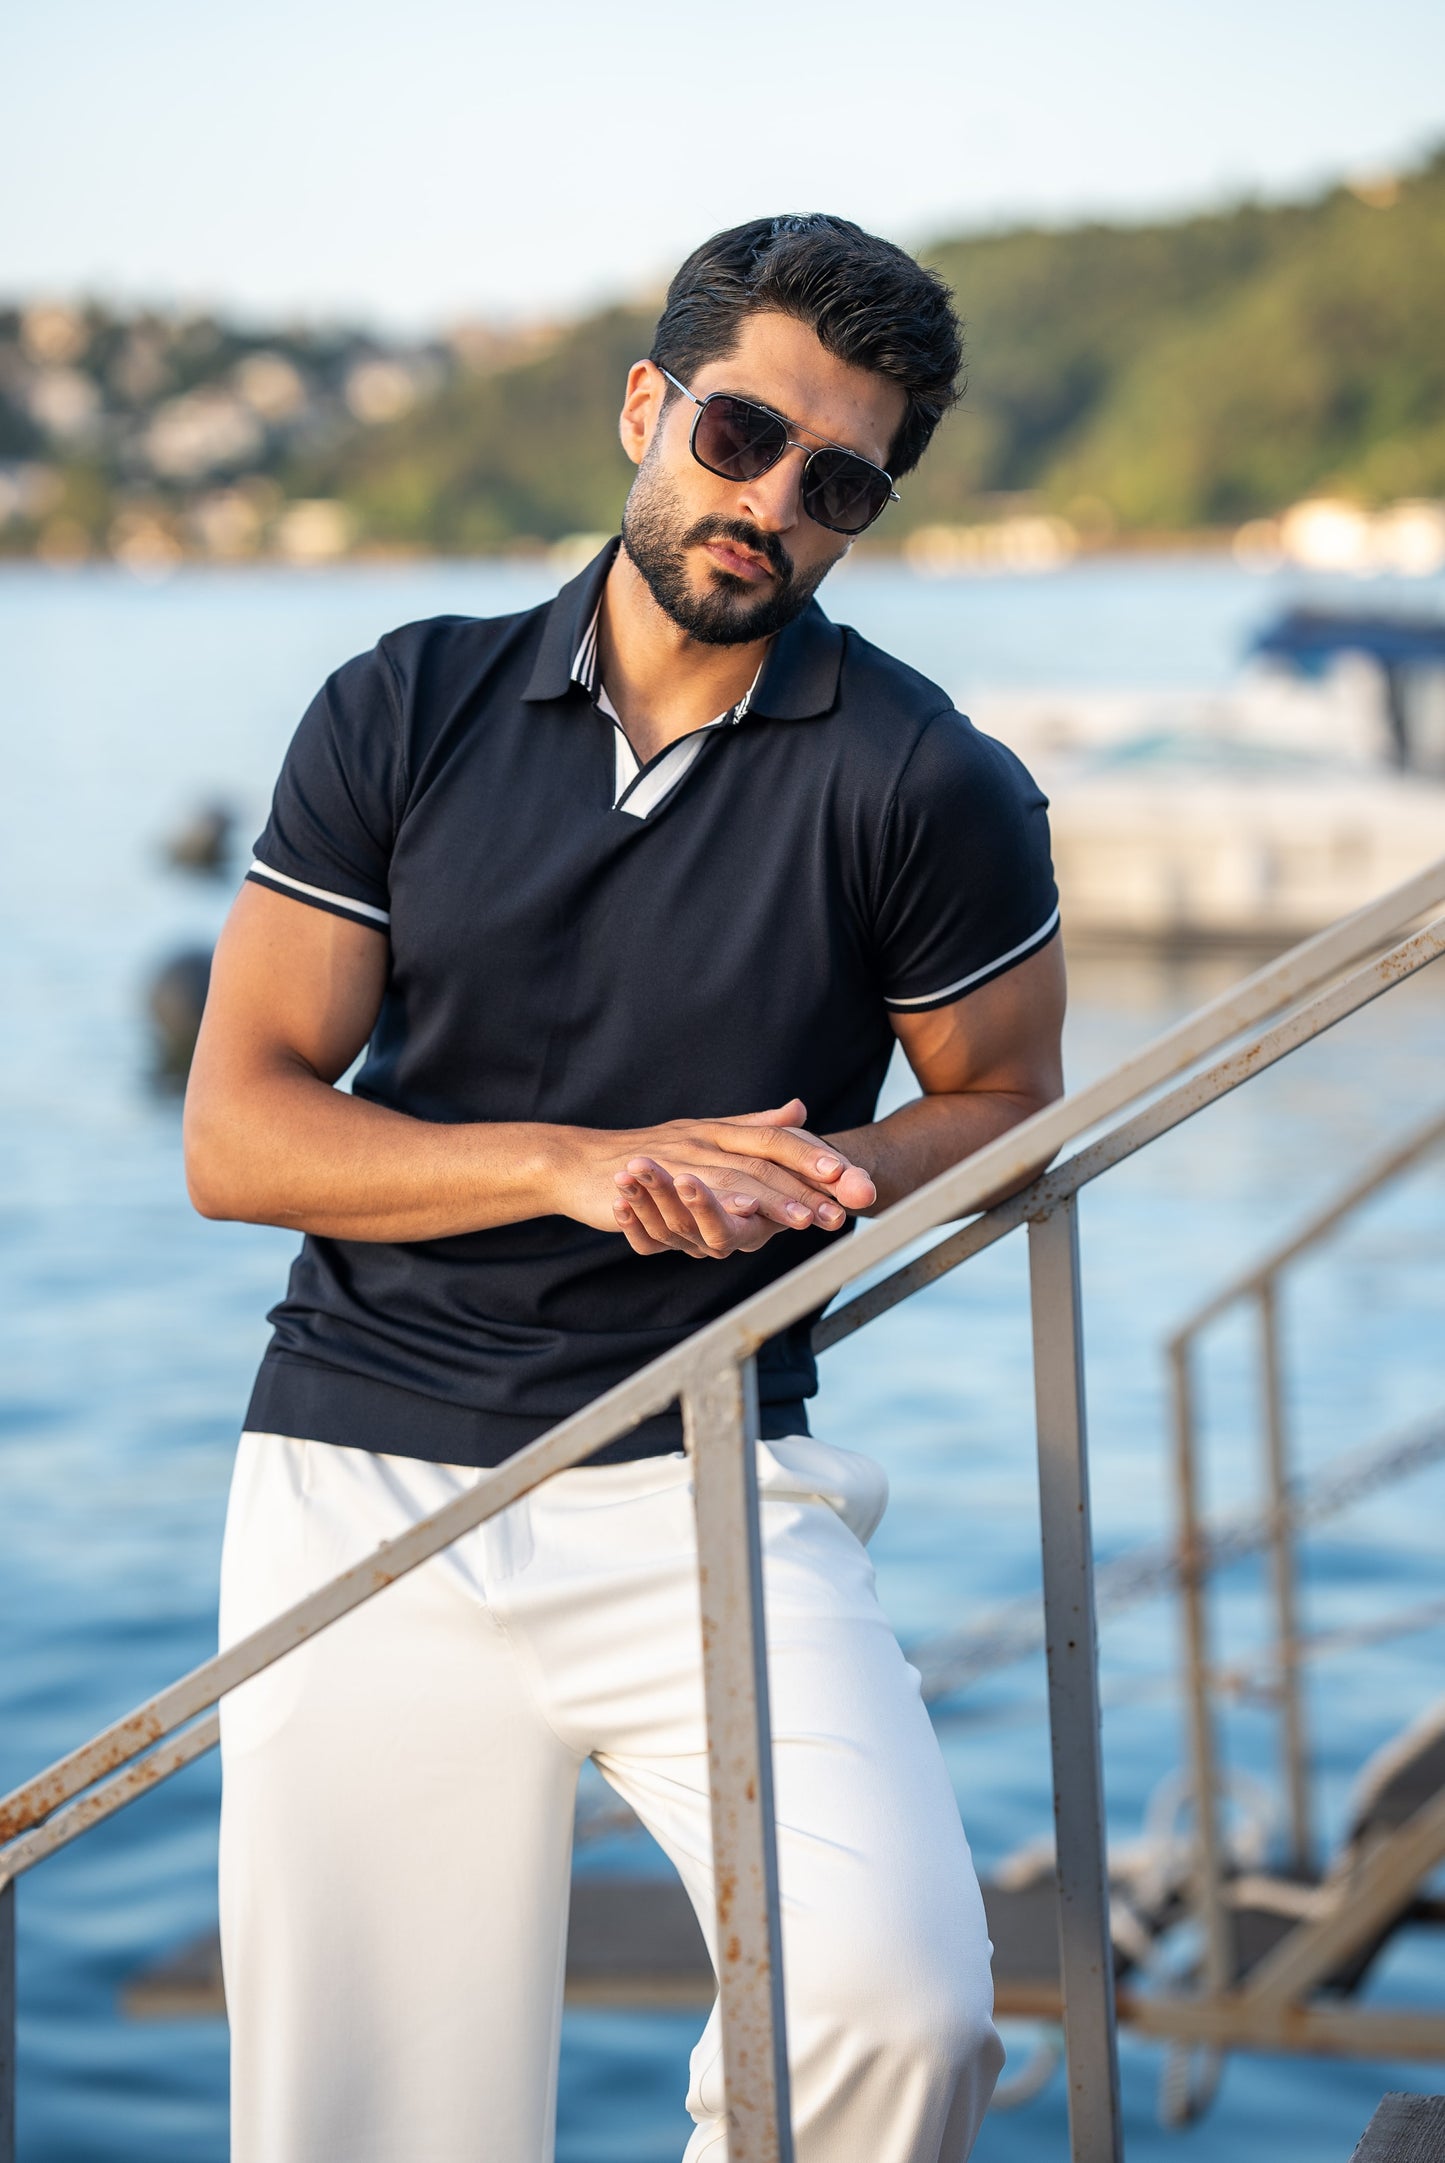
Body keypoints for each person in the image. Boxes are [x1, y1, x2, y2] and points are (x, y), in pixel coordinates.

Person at [185, 212, 1066, 2163]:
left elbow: (1003, 1092)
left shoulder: (930, 779)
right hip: (365, 1474)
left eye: (840, 481)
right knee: (364, 2126)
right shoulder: (401, 702)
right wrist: (585, 1167)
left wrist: (828, 1168)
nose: (772, 502)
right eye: (741, 436)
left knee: (897, 2013)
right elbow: (239, 1132)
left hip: (704, 1465)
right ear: (647, 406)